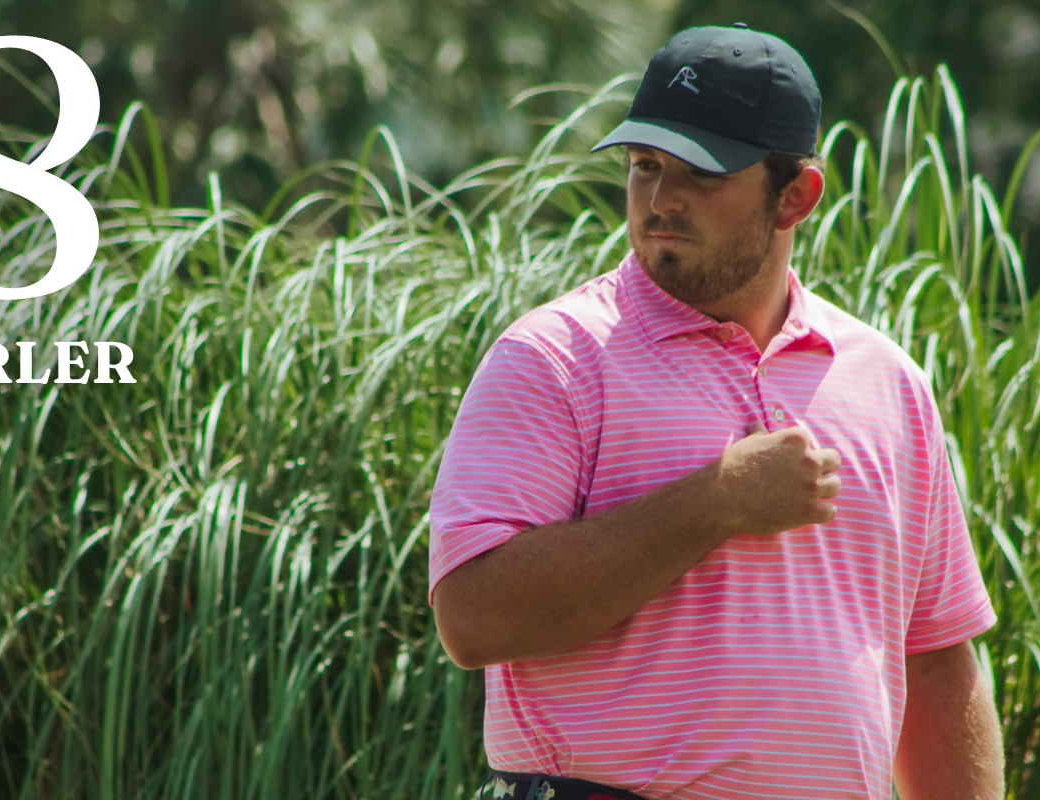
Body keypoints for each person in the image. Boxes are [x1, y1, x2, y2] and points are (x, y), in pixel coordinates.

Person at [429, 23, 1003, 800]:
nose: (661, 200)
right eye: (643, 167)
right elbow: (472, 616)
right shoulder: (554, 358)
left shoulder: (889, 383)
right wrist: (717, 501)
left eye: (702, 173)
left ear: (795, 195)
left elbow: (934, 662)